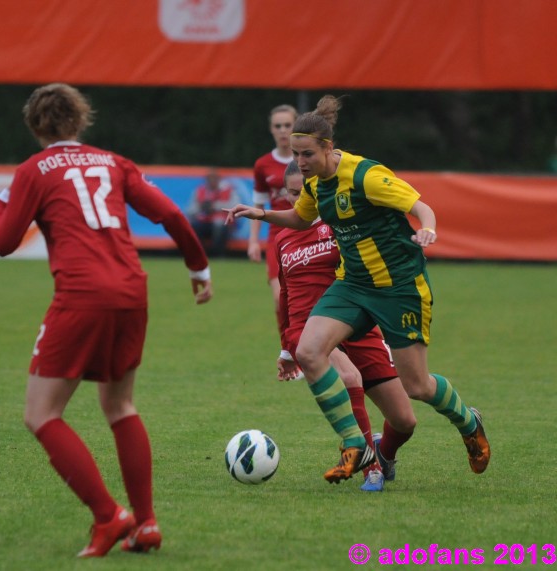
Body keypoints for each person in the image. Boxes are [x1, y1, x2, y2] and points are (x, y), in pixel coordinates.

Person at [0, 83, 212, 558]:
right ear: (80, 120)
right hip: (132, 290)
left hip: (82, 295)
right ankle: (147, 523)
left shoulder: (33, 170)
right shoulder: (113, 162)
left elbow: (4, 241)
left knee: (41, 414)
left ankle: (110, 517)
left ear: (35, 127)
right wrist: (199, 267)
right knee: (120, 406)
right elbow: (170, 213)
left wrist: (6, 199)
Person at [226, 94, 490, 484]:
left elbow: (419, 206)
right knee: (309, 350)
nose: (300, 163)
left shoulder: (366, 175)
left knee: (417, 386)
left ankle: (469, 422)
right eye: (295, 156)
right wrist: (262, 213)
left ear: (328, 148)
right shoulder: (316, 183)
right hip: (353, 284)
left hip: (398, 287)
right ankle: (356, 444)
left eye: (306, 155)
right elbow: (301, 218)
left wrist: (428, 228)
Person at [275, 160, 416, 492]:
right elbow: (284, 296)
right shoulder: (281, 239)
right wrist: (286, 348)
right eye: (292, 193)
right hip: (309, 331)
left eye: (304, 191)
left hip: (354, 324)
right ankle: (371, 470)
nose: (298, 200)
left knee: (405, 420)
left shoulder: (342, 225)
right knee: (349, 376)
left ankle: (384, 454)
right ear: (285, 193)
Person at [249, 105, 298, 330]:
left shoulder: (307, 160)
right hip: (278, 236)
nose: (283, 130)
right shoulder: (263, 165)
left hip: (307, 232)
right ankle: (288, 356)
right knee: (281, 301)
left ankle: (315, 355)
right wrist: (253, 241)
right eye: (278, 126)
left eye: (288, 125)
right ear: (271, 129)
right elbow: (258, 204)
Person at [186, 167, 238, 257]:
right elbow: (190, 210)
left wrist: (215, 206)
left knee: (219, 224)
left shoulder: (228, 190)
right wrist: (200, 207)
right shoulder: (199, 191)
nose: (211, 181)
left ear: (219, 179)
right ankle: (200, 253)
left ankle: (217, 254)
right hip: (204, 221)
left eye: (214, 178)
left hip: (222, 223)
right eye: (209, 179)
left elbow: (235, 207)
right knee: (193, 226)